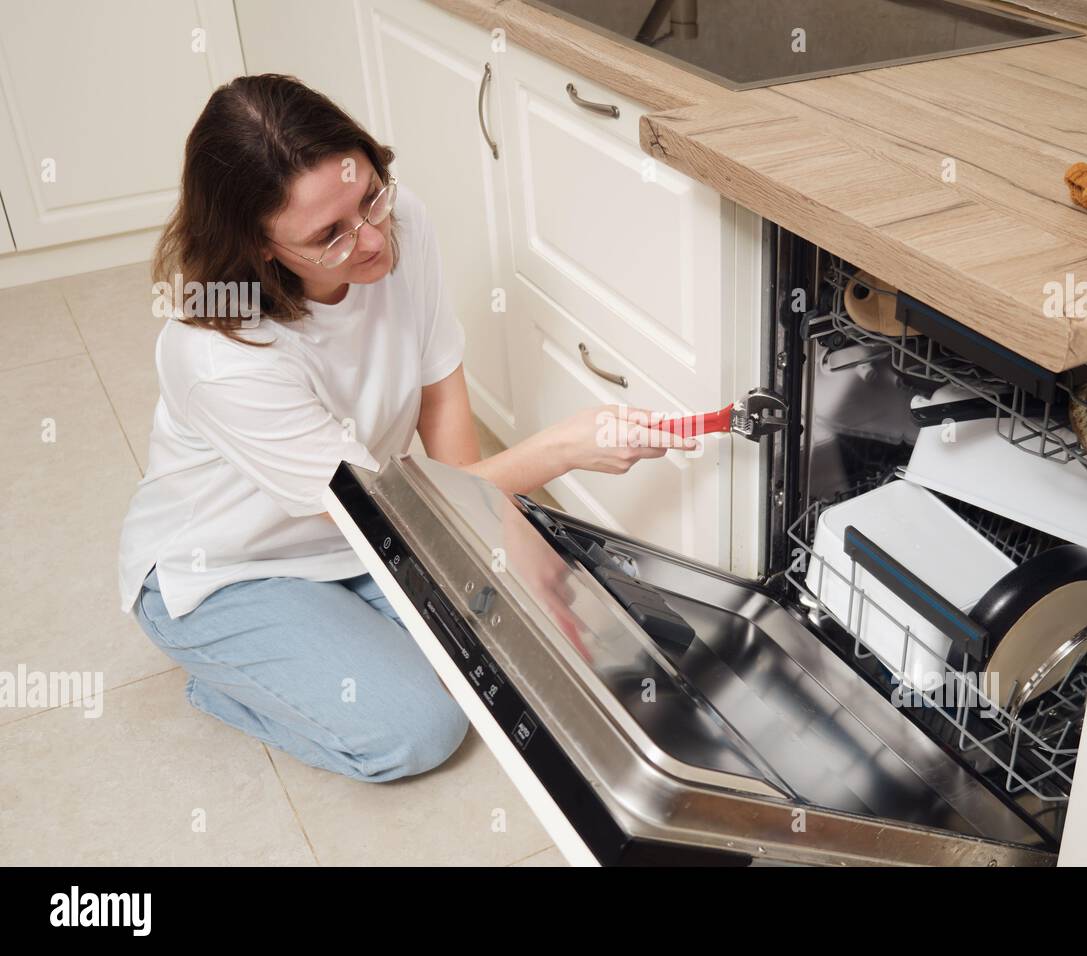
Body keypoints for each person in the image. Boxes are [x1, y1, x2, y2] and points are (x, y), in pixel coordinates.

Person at [117, 74, 695, 782]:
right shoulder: (220, 353)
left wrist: (492, 546)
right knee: (422, 727)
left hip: (368, 527)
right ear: (260, 248)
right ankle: (227, 674)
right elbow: (381, 504)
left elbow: (441, 399)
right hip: (236, 568)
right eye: (328, 236)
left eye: (369, 201)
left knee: (525, 655)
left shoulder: (400, 221)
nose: (370, 241)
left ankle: (345, 642)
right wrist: (562, 450)